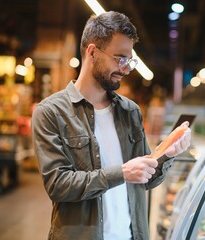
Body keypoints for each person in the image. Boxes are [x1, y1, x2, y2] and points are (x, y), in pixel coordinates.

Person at [31, 11, 191, 240]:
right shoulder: (51, 112)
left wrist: (168, 154)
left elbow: (147, 180)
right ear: (92, 52)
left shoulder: (130, 111)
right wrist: (122, 173)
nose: (125, 69)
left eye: (129, 61)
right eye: (120, 59)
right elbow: (58, 185)